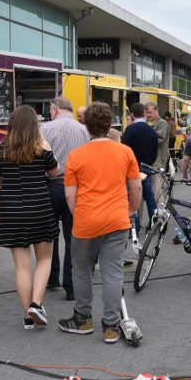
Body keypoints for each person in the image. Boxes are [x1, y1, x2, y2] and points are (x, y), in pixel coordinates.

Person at [59, 102, 142, 343]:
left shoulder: (76, 156)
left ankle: (83, 319)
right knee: (113, 273)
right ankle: (111, 326)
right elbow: (135, 186)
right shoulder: (125, 152)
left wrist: (80, 214)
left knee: (82, 270)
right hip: (117, 220)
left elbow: (69, 195)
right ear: (109, 125)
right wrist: (131, 210)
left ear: (86, 126)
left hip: (86, 222)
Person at [0, 106, 59, 330]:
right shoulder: (42, 146)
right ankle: (36, 304)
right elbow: (55, 173)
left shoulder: (0, 149)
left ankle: (27, 316)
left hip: (11, 210)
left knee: (21, 267)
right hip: (39, 207)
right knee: (45, 259)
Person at [40, 96, 89, 302]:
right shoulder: (84, 131)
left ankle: (51, 277)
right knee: (72, 238)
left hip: (49, 187)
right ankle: (71, 288)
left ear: (55, 110)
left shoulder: (44, 129)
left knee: (50, 236)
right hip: (75, 190)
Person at [122, 102, 158, 232]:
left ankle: (135, 227)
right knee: (149, 196)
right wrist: (149, 162)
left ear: (132, 115)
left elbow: (124, 150)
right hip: (147, 166)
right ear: (144, 113)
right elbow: (155, 151)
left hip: (133, 168)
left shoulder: (130, 130)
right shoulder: (151, 131)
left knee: (133, 196)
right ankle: (154, 223)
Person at [145, 102, 170, 173]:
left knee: (156, 183)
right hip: (147, 161)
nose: (147, 115)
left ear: (156, 111)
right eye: (146, 113)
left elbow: (158, 140)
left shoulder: (162, 123)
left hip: (157, 162)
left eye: (150, 112)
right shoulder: (145, 122)